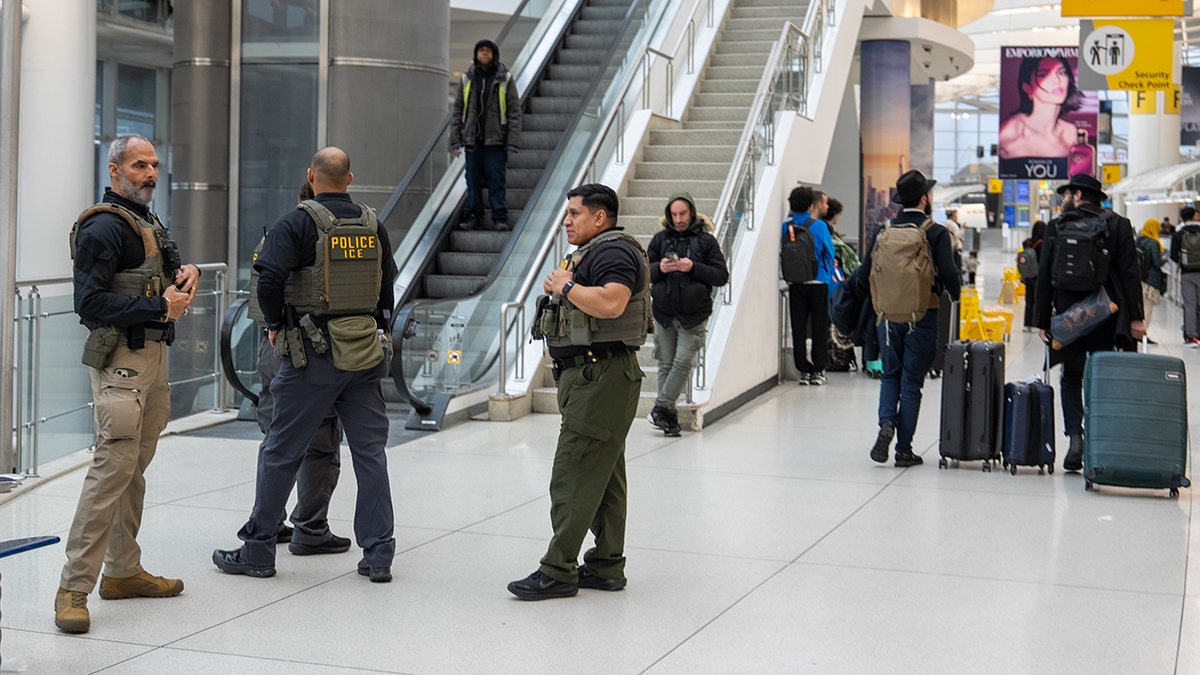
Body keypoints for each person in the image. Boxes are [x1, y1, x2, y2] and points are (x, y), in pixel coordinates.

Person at [213, 147, 399, 583]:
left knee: (282, 450)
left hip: (312, 356)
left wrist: (277, 325)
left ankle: (258, 550)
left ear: (311, 176)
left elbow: (270, 280)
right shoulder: (373, 224)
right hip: (365, 355)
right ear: (349, 179)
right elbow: (386, 285)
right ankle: (379, 555)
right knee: (371, 454)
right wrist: (379, 332)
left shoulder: (297, 222)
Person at [55, 134, 200, 634]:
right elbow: (88, 305)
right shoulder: (102, 228)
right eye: (140, 165)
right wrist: (160, 306)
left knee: (133, 468)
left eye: (155, 165)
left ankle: (122, 571)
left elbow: (158, 274)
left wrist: (187, 275)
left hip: (153, 359)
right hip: (121, 362)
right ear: (115, 170)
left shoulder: (146, 221)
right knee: (111, 467)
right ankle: (73, 589)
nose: (151, 173)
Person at [510, 183, 649, 600]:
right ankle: (606, 565)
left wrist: (566, 286)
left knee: (572, 472)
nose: (567, 221)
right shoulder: (596, 251)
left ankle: (558, 570)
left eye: (574, 213)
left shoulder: (612, 252)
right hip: (593, 376)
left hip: (599, 376)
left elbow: (612, 303)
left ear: (600, 217)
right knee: (604, 476)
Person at [250, 182, 350, 555]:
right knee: (322, 441)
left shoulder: (278, 232)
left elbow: (264, 290)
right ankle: (310, 527)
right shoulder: (327, 234)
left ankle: (269, 522)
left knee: (276, 440)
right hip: (313, 350)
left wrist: (274, 327)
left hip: (273, 348)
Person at [1035, 173, 1144, 472]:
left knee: (1071, 376)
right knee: (1100, 376)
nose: (1063, 199)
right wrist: (1136, 318)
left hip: (1069, 316)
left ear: (1080, 195)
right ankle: (1098, 441)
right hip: (1105, 312)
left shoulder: (1058, 226)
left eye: (1067, 193)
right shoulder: (1118, 225)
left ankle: (1075, 438)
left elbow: (1044, 277)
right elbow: (1129, 274)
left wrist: (1042, 320)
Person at [865, 170, 960, 467]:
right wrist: (955, 294)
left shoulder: (883, 230)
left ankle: (885, 424)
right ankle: (903, 449)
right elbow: (949, 272)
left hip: (888, 317)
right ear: (924, 198)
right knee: (911, 382)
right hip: (922, 314)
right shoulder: (936, 231)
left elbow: (867, 269)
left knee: (890, 376)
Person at [645, 192, 728, 437]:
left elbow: (721, 276)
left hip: (694, 315)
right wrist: (659, 268)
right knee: (666, 363)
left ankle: (660, 407)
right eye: (674, 214)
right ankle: (667, 418)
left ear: (692, 212)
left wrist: (693, 267)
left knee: (683, 362)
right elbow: (643, 272)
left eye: (683, 213)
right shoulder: (660, 239)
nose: (679, 219)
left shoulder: (706, 241)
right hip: (663, 313)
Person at [450, 39, 522, 231]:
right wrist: (456, 140)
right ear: (476, 54)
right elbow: (457, 111)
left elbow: (515, 111)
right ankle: (474, 215)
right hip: (472, 140)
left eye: (488, 51)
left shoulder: (505, 78)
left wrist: (511, 142)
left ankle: (500, 217)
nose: (484, 54)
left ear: (494, 55)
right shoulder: (467, 78)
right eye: (481, 51)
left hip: (496, 141)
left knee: (496, 179)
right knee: (472, 179)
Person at [782, 186, 837, 386]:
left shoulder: (785, 226)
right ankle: (818, 370)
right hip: (818, 281)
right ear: (810, 205)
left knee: (798, 327)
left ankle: (803, 370)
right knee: (819, 327)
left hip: (796, 282)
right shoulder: (820, 226)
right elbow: (829, 253)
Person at [998, 56, 1084, 160]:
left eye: (1062, 73)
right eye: (1043, 75)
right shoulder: (1010, 132)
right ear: (1027, 87)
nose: (1056, 80)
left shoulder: (1071, 133)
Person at [1170, 206, 1200, 346]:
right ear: (1195, 215)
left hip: (1187, 274)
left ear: (1182, 218)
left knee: (1190, 305)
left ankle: (1190, 337)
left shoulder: (1178, 234)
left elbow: (1174, 257)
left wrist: (1175, 275)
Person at [1137, 218, 1166, 341]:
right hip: (1151, 280)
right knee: (1147, 309)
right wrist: (1164, 259)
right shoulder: (1153, 243)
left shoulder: (1139, 240)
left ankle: (1139, 332)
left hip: (1139, 278)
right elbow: (1157, 263)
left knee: (1141, 308)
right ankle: (1142, 334)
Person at [1021, 220, 1047, 330]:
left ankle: (1027, 324)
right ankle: (1037, 322)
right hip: (1038, 275)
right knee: (1038, 299)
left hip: (1028, 275)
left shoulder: (1027, 243)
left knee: (1029, 300)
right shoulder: (1042, 244)